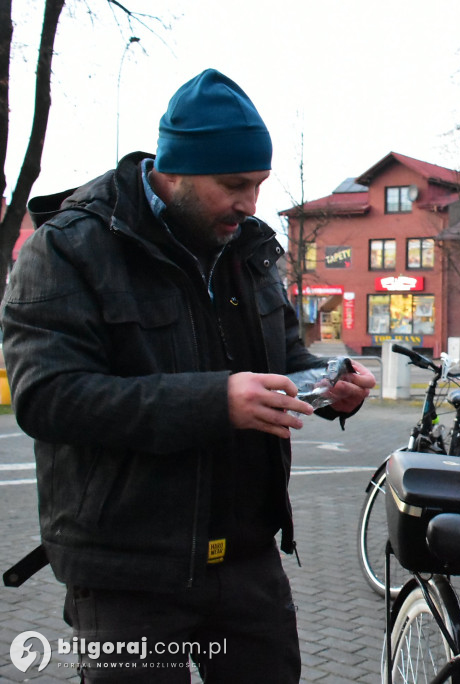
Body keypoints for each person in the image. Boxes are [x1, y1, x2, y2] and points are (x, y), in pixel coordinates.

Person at [0, 69, 376, 683]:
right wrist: (214, 401)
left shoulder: (248, 248)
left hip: (247, 558)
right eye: (234, 185)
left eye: (258, 185)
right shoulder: (68, 247)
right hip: (127, 574)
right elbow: (48, 398)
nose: (250, 205)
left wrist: (329, 388)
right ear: (174, 171)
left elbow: (283, 360)